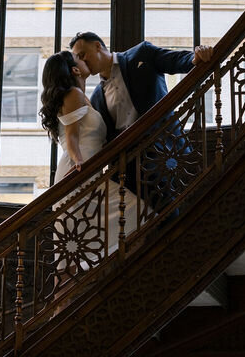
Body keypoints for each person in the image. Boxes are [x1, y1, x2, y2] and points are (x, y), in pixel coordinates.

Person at [68, 32, 213, 211]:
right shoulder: (97, 97)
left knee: (177, 212)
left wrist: (196, 55)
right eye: (78, 59)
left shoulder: (141, 53)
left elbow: (175, 59)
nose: (82, 61)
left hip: (165, 152)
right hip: (131, 172)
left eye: (83, 54)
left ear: (98, 46)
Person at [39, 50, 138, 274]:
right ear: (75, 70)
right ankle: (63, 298)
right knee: (73, 245)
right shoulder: (73, 93)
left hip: (89, 170)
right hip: (78, 171)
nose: (84, 61)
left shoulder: (86, 97)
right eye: (79, 60)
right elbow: (72, 138)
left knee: (130, 213)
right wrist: (79, 165)